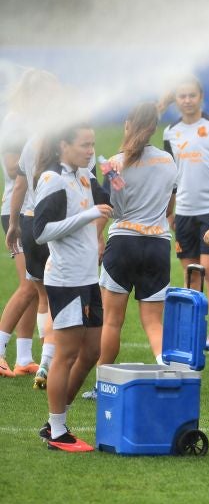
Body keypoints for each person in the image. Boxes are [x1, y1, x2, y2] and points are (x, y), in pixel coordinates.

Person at [32, 123, 112, 451]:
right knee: (65, 354)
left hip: (88, 279)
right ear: (63, 145)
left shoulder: (83, 175)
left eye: (92, 144)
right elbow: (41, 232)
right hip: (65, 280)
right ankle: (57, 429)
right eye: (84, 145)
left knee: (92, 351)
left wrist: (114, 175)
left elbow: (109, 203)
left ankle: (56, 420)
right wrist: (88, 215)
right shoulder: (52, 180)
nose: (90, 150)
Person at [95, 103, 177, 372]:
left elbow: (110, 210)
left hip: (123, 243)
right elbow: (169, 208)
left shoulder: (112, 165)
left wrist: (96, 239)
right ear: (154, 128)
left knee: (111, 321)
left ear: (127, 124)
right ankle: (167, 371)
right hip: (157, 245)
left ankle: (102, 381)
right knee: (154, 322)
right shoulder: (168, 160)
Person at [160, 76, 209, 351]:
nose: (188, 100)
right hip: (184, 211)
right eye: (182, 96)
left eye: (192, 95)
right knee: (192, 273)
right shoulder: (170, 132)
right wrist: (169, 211)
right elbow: (170, 174)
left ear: (201, 96)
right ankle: (193, 330)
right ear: (176, 100)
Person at [4, 70, 65, 388]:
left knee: (34, 287)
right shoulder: (17, 121)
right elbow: (14, 167)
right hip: (18, 210)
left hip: (35, 211)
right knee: (31, 287)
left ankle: (26, 358)